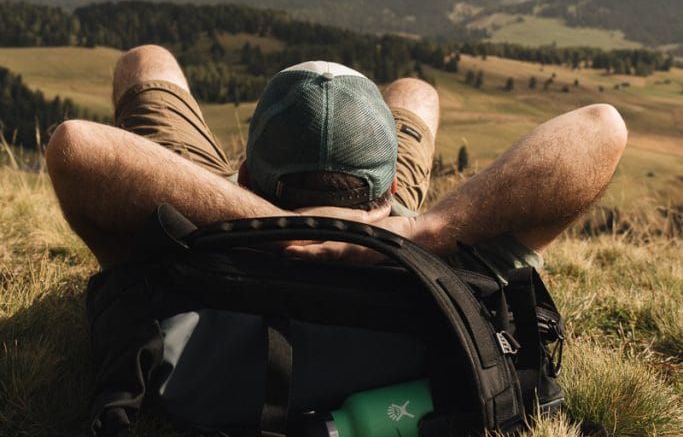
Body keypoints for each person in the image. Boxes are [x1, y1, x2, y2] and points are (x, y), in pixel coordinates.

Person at [46, 44, 627, 273]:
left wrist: (261, 222)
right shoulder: (436, 254)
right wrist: (424, 230)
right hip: (386, 235)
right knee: (416, 92)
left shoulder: (180, 243)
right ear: (392, 186)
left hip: (216, 220)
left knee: (147, 62)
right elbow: (604, 126)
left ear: (244, 173)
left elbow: (74, 145)